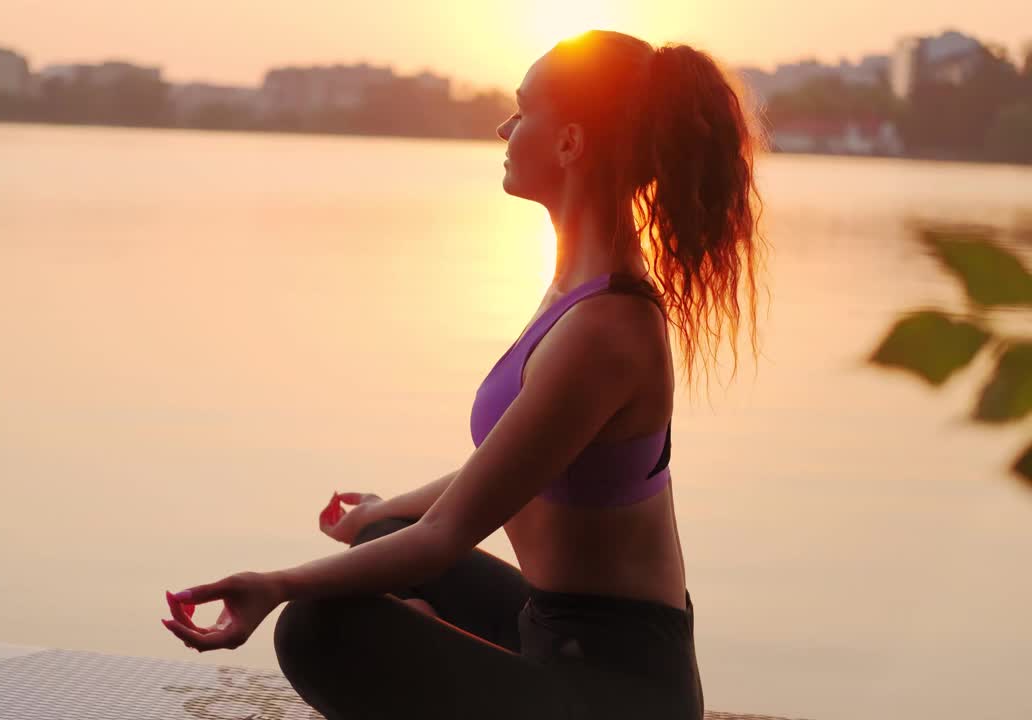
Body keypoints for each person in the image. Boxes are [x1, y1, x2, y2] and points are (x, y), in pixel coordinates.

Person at [170, 29, 766, 720]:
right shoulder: (579, 291)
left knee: (314, 624)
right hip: (553, 634)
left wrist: (271, 584)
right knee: (380, 540)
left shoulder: (608, 328)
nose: (503, 128)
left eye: (522, 111)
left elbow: (445, 537)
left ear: (571, 143)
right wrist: (385, 508)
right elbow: (513, 468)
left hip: (620, 691)